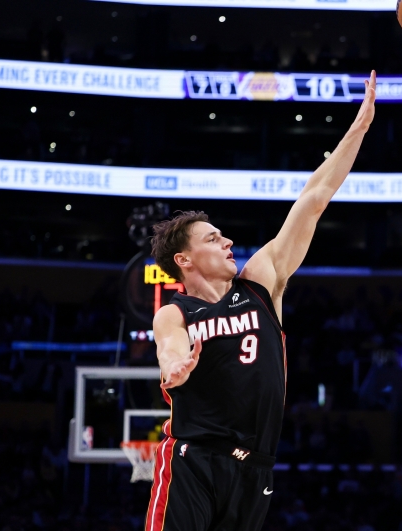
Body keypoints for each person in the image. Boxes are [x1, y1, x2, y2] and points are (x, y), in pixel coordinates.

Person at [144, 72, 378, 531]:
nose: (228, 241)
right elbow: (168, 346)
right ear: (184, 259)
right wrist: (174, 368)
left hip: (256, 468)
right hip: (193, 459)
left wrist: (361, 126)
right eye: (214, 238)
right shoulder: (176, 311)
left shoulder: (260, 284)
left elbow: (313, 200)